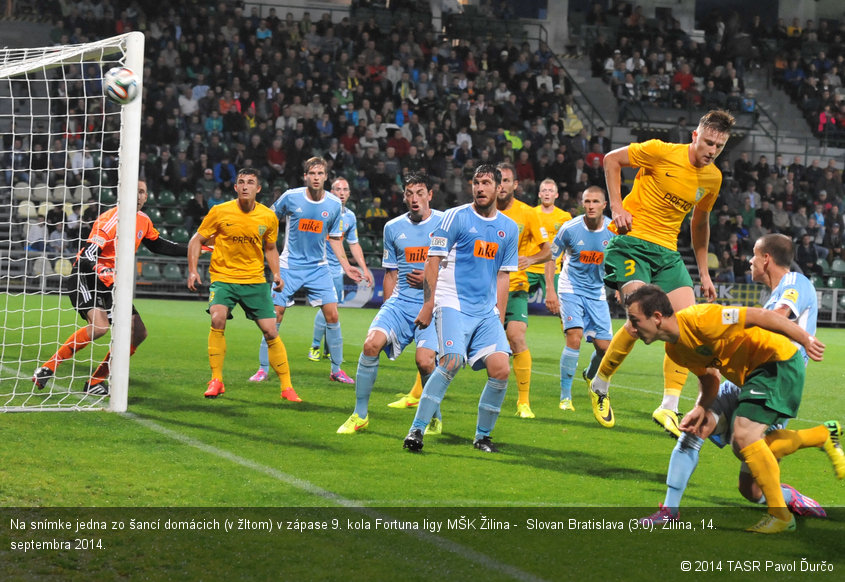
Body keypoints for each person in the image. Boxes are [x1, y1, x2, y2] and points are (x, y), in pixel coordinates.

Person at [643, 234, 842, 524]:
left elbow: (777, 317)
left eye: (753, 254)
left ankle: (813, 450)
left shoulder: (793, 282)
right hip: (746, 375)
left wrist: (728, 326)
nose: (749, 260)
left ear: (766, 259)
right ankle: (669, 510)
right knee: (698, 428)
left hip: (775, 376)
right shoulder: (774, 291)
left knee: (749, 468)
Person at [589, 109, 735, 437]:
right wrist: (617, 206)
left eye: (720, 147)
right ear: (696, 136)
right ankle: (600, 384)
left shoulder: (713, 178)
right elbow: (611, 160)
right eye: (709, 142)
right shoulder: (660, 151)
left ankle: (668, 406)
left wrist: (704, 273)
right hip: (631, 243)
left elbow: (700, 223)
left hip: (668, 255)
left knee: (686, 326)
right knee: (643, 313)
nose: (712, 151)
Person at [403, 164, 519, 453]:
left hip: (485, 310)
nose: (480, 188)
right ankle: (416, 430)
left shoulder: (509, 228)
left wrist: (499, 318)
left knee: (502, 369)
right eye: (476, 183)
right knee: (452, 360)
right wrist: (428, 304)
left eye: (486, 183)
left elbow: (503, 275)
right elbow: (433, 260)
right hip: (452, 301)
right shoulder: (456, 217)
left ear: (498, 187)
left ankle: (482, 436)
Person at [33, 179, 187, 395]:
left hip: (112, 283)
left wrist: (194, 249)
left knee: (138, 332)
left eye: (143, 191)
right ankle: (48, 368)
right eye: (135, 190)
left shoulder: (143, 220)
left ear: (146, 196)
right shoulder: (109, 218)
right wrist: (101, 269)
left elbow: (158, 245)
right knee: (100, 327)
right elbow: (87, 255)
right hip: (87, 276)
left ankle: (95, 381)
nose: (139, 195)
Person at [337, 173, 443, 434]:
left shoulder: (446, 224)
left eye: (420, 192)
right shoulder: (393, 227)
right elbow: (391, 273)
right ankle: (360, 414)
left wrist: (431, 281)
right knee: (370, 344)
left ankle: (434, 417)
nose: (414, 198)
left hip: (433, 304)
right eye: (409, 193)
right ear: (404, 196)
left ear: (430, 194)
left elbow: (457, 269)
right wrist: (387, 309)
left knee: (425, 362)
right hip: (400, 302)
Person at [250, 157, 363, 386]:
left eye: (320, 173)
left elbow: (334, 239)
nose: (316, 177)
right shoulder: (291, 197)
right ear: (305, 176)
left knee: (332, 314)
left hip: (318, 268)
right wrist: (261, 243)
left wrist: (346, 265)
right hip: (289, 266)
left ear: (325, 177)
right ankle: (263, 368)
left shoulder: (333, 205)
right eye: (312, 173)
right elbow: (268, 218)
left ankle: (337, 369)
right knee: (275, 316)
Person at [186, 169, 295, 400]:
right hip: (223, 278)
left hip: (254, 280)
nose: (245, 186)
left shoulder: (268, 217)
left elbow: (270, 248)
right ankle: (216, 380)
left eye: (250, 183)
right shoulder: (219, 211)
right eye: (241, 182)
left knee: (270, 331)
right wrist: (193, 271)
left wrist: (276, 273)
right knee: (217, 318)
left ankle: (287, 387)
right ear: (235, 187)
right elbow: (196, 240)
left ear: (258, 189)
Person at [544, 186, 615, 411]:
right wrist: (550, 290)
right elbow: (550, 257)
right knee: (574, 337)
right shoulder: (570, 229)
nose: (591, 206)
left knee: (606, 348)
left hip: (597, 292)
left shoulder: (613, 231)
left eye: (595, 202)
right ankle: (566, 397)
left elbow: (619, 262)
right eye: (587, 201)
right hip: (571, 289)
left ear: (604, 205)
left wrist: (621, 288)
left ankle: (589, 375)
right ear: (582, 204)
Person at [496, 162, 551, 419]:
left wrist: (531, 260)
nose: (502, 185)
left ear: (515, 185)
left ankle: (523, 402)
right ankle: (419, 394)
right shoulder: (480, 211)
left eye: (507, 180)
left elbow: (548, 250)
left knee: (516, 337)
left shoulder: (528, 214)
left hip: (516, 286)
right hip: (483, 288)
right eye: (498, 180)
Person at [307, 177, 373, 363]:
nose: (342, 192)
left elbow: (354, 244)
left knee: (332, 308)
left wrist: (364, 268)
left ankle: (327, 348)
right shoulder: (321, 210)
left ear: (349, 193)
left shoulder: (350, 217)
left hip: (338, 268)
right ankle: (315, 346)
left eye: (345, 189)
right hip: (320, 265)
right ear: (331, 191)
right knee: (329, 305)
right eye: (338, 189)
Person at [527, 178, 572, 294]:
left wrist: (566, 254)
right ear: (539, 194)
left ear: (556, 195)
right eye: (544, 190)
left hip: (553, 267)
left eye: (551, 191)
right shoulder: (530, 214)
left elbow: (571, 240)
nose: (547, 193)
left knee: (559, 305)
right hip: (530, 267)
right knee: (514, 299)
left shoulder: (564, 217)